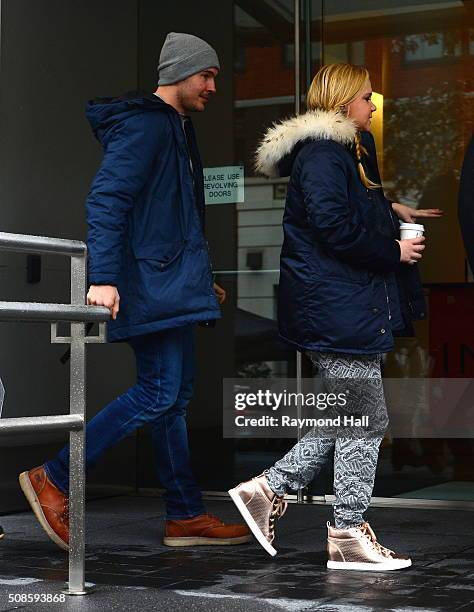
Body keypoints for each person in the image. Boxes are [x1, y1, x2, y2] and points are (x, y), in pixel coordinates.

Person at [19, 32, 250, 551]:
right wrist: (102, 277)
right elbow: (107, 199)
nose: (213, 85)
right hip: (149, 287)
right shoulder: (147, 125)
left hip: (170, 283)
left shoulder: (175, 127)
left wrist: (197, 278)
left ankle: (185, 514)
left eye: (215, 75)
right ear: (177, 74)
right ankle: (54, 476)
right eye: (205, 75)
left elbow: (170, 218)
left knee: (173, 400)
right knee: (159, 392)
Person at [229, 63, 436, 571]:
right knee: (365, 418)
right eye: (368, 96)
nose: (374, 103)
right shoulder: (324, 153)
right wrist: (393, 250)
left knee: (347, 414)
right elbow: (332, 227)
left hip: (341, 306)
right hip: (334, 307)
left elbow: (344, 212)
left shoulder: (344, 152)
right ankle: (345, 531)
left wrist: (390, 210)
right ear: (346, 104)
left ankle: (268, 490)